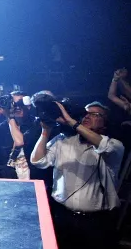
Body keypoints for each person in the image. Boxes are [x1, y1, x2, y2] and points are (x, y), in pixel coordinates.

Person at [31, 101, 124, 248]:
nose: (87, 116)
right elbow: (38, 161)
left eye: (94, 114)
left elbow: (104, 145)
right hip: (62, 216)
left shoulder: (114, 146)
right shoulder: (63, 140)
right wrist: (45, 131)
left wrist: (70, 121)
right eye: (85, 113)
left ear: (105, 124)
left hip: (95, 223)